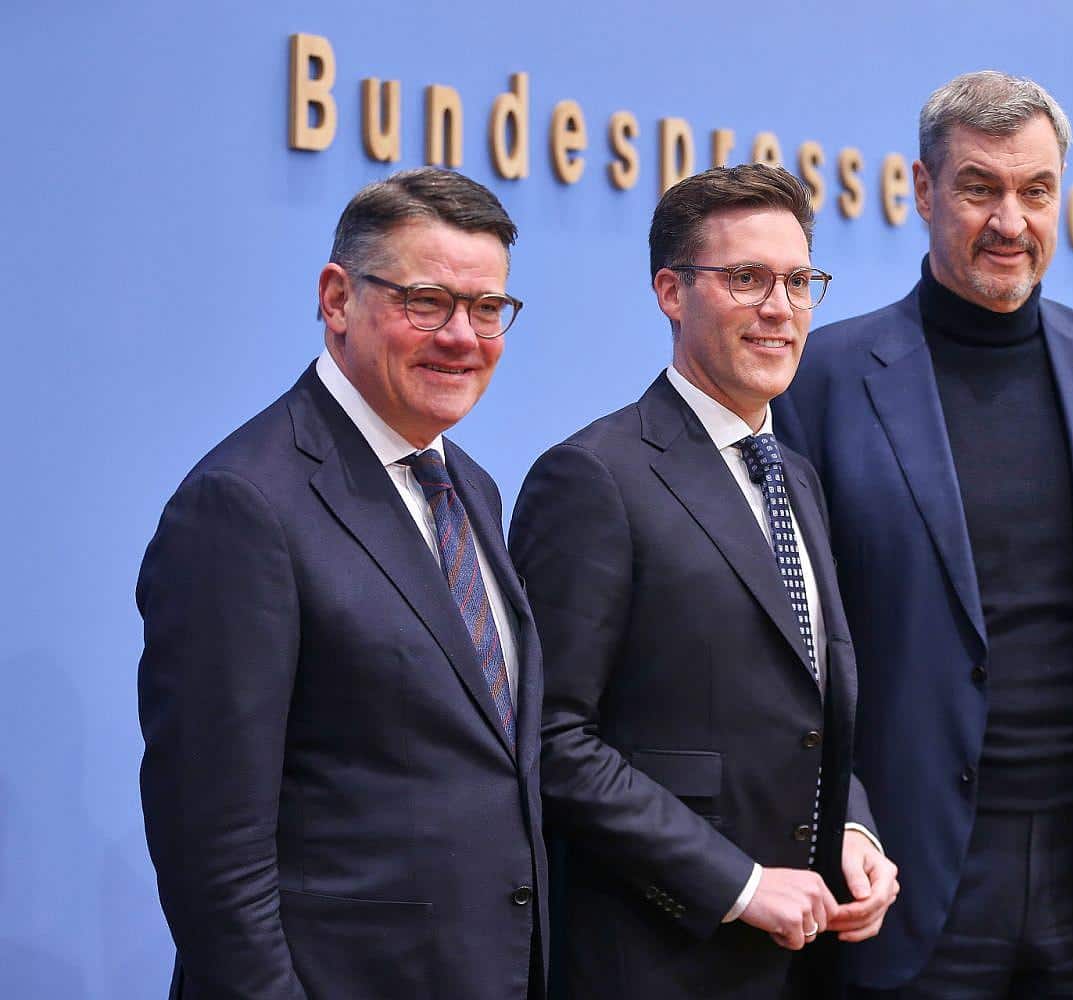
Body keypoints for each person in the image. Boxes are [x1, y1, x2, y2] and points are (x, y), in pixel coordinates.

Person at [773, 71, 1073, 998]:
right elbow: (795, 645)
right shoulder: (821, 377)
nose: (1010, 222)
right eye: (980, 187)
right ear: (922, 189)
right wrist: (843, 820)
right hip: (902, 872)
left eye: (1036, 190)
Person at [137, 167, 546, 999]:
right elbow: (211, 847)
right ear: (336, 299)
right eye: (426, 302)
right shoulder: (241, 504)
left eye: (486, 308)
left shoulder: (468, 484)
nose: (462, 336)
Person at [509, 163, 898, 999]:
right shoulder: (593, 477)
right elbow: (551, 740)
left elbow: (808, 713)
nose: (780, 307)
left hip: (803, 956)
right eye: (747, 278)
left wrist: (851, 826)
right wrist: (739, 884)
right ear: (670, 292)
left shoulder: (794, 475)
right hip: (657, 958)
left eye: (798, 281)